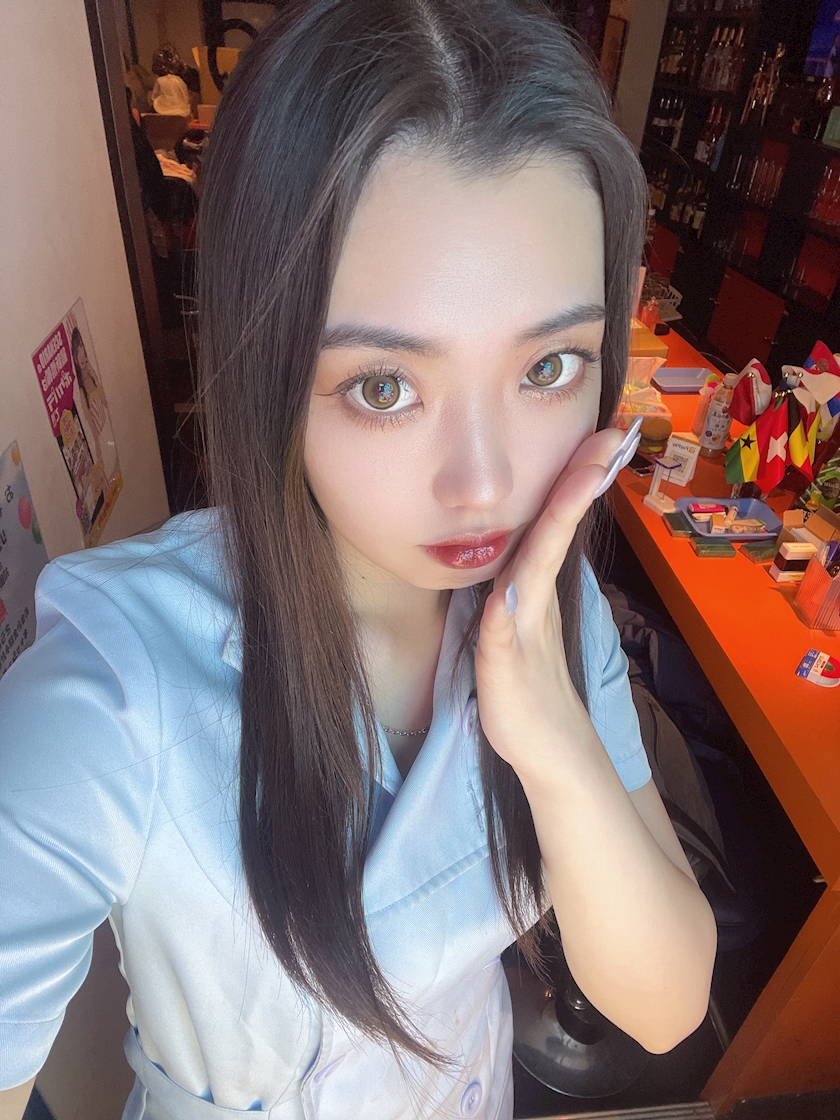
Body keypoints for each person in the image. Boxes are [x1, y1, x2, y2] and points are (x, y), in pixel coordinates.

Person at [0, 3, 717, 1119]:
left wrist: (550, 735)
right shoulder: (112, 689)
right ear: (269, 369)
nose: (484, 484)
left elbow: (667, 1005)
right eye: (385, 387)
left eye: (549, 368)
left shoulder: (548, 608)